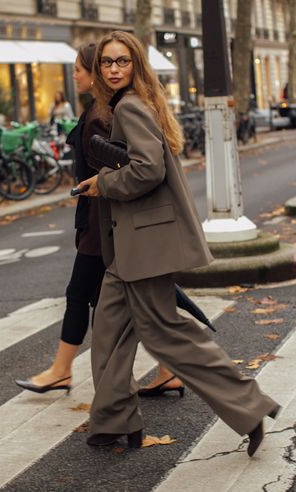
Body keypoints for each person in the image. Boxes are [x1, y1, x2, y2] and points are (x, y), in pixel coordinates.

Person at [77, 31, 280, 455]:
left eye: (122, 61)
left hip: (145, 245)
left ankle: (248, 405)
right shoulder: (130, 104)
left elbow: (147, 171)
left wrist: (104, 183)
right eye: (107, 63)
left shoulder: (129, 106)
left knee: (167, 333)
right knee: (110, 332)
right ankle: (114, 420)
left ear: (136, 65)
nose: (113, 69)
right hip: (131, 247)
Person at [15, 44, 108, 394]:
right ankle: (169, 369)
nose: (74, 75)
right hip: (100, 224)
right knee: (141, 300)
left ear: (93, 72)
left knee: (78, 294)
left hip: (101, 226)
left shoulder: (99, 114)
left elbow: (112, 171)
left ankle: (61, 370)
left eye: (78, 69)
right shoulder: (97, 110)